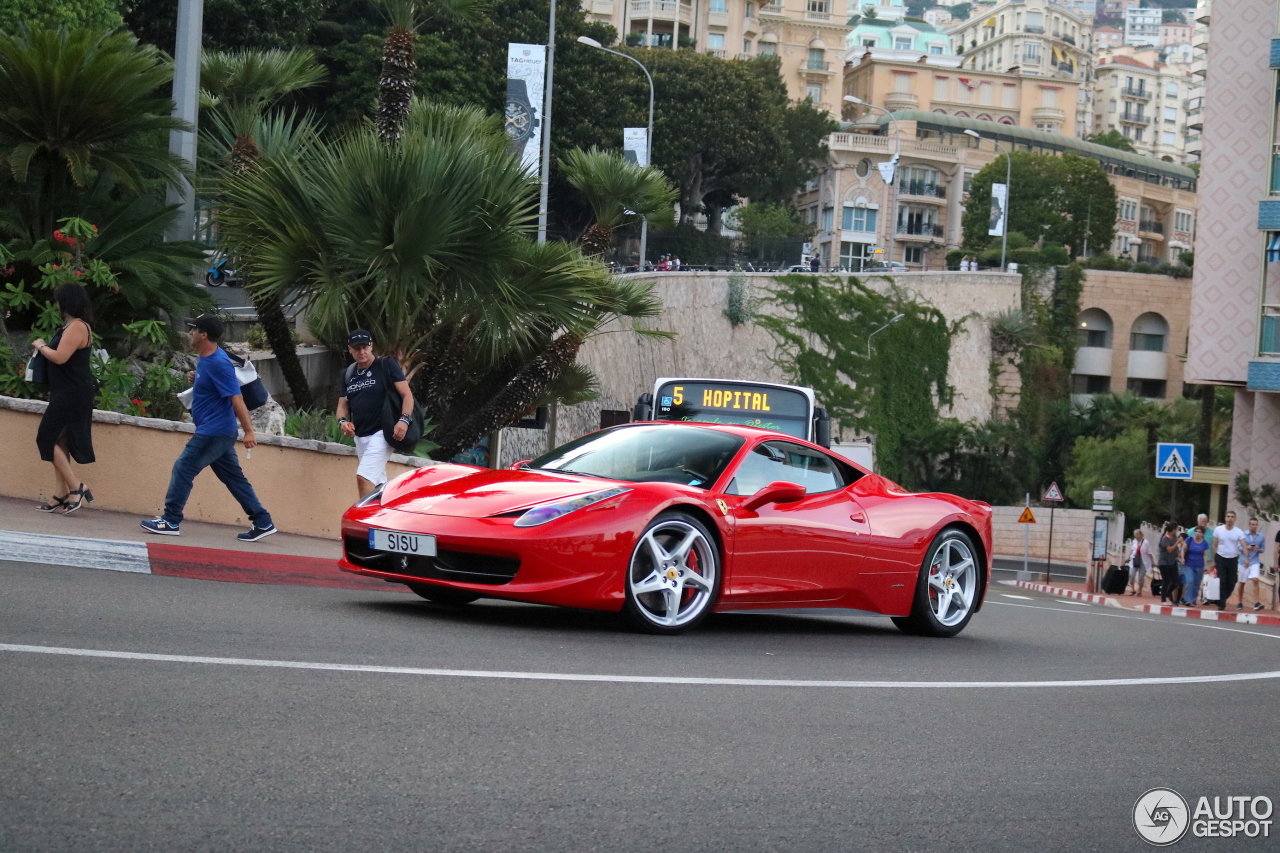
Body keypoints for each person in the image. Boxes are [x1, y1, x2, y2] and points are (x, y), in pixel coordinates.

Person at [140, 315, 275, 541]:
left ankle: (171, 520)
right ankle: (262, 521)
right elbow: (214, 387)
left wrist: (249, 431)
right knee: (234, 478)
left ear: (204, 334)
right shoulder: (205, 358)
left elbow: (236, 398)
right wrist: (197, 378)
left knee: (183, 467)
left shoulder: (219, 363)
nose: (190, 333)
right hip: (217, 431)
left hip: (214, 431)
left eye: (194, 329)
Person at [31, 283, 96, 514]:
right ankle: (60, 494)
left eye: (59, 300)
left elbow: (59, 357)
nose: (57, 304)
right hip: (65, 390)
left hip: (73, 392)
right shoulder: (69, 326)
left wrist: (41, 346)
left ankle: (76, 487)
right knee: (59, 441)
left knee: (45, 438)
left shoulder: (78, 326)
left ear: (67, 301)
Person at [336, 329, 415, 500]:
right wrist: (342, 422)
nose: (362, 352)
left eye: (365, 347)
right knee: (379, 486)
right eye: (357, 348)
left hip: (382, 432)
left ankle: (365, 524)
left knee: (364, 477)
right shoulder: (348, 374)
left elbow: (407, 395)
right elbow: (342, 405)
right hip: (361, 435)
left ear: (371, 346)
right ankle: (386, 519)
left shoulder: (386, 365)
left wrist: (403, 420)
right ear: (350, 349)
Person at [1210, 511, 1246, 611]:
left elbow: (1243, 545)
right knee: (1222, 580)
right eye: (1228, 516)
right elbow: (1214, 545)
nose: (1230, 518)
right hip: (1221, 557)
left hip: (1233, 558)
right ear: (1225, 518)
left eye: (1232, 517)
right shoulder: (1218, 530)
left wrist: (1247, 558)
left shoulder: (1238, 531)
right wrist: (1214, 560)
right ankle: (1221, 604)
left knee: (1232, 581)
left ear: (1235, 519)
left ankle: (1221, 598)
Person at [1239, 517, 1266, 611]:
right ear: (1249, 525)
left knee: (1255, 580)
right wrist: (1247, 547)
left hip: (1254, 561)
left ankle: (1257, 603)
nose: (1254, 526)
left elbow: (1263, 549)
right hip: (1244, 561)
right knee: (1242, 582)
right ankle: (1239, 602)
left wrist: (1259, 549)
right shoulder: (1243, 534)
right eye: (1252, 525)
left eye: (1256, 525)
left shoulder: (1261, 536)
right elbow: (1239, 547)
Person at [1182, 527, 1209, 606]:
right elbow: (1183, 549)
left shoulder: (1205, 543)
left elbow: (1205, 555)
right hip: (1189, 564)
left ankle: (1193, 600)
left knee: (1196, 583)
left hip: (1199, 565)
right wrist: (1183, 558)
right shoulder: (1189, 540)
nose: (1197, 533)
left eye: (1200, 532)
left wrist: (1205, 565)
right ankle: (1187, 600)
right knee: (1190, 581)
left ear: (1202, 534)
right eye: (1196, 531)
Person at [1156, 522, 1181, 604]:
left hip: (1172, 561)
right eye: (1176, 529)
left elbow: (1175, 550)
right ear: (1173, 530)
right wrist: (1177, 543)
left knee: (1176, 581)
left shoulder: (1175, 537)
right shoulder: (1165, 538)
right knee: (1166, 581)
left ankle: (1167, 594)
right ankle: (1163, 599)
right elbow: (1169, 549)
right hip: (1164, 562)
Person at [1126, 529, 1152, 595]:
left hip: (1143, 560)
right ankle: (1132, 588)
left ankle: (1140, 590)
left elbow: (1149, 552)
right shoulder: (1134, 541)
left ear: (1140, 535)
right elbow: (1132, 550)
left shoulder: (1146, 542)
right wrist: (1129, 557)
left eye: (1137, 535)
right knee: (1131, 574)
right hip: (1135, 558)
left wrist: (1152, 561)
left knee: (1141, 577)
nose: (1136, 537)